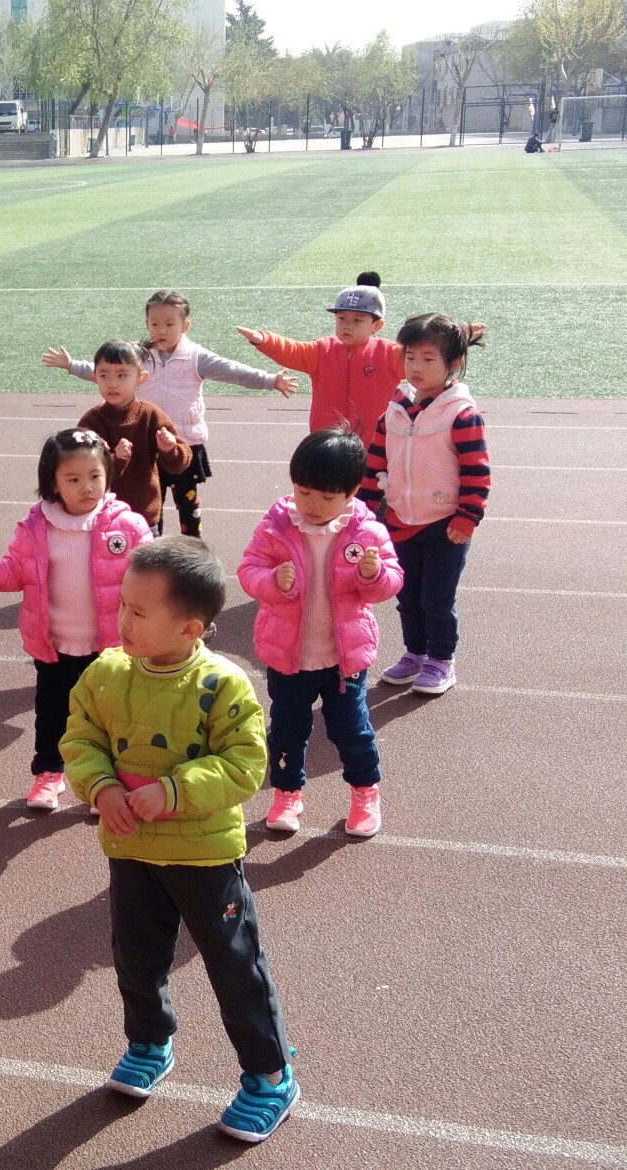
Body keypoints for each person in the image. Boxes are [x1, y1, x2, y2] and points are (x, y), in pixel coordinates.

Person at [61, 537, 298, 1144]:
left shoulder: (223, 684)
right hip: (132, 852)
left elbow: (245, 764)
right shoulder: (106, 674)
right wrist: (101, 788)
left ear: (189, 628)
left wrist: (173, 790)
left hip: (205, 856)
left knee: (234, 965)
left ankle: (270, 1076)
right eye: (122, 604)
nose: (122, 619)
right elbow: (80, 739)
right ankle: (150, 1043)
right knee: (135, 958)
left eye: (139, 612)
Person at [0, 427, 150, 812]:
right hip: (55, 645)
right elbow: (13, 571)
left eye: (95, 476)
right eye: (73, 479)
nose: (86, 487)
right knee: (52, 714)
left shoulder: (127, 526)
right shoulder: (37, 528)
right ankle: (48, 773)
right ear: (53, 483)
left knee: (110, 717)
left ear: (107, 474)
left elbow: (151, 575)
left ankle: (105, 784)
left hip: (110, 648)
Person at [237, 429, 402, 837]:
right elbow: (248, 569)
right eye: (303, 492)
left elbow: (391, 581)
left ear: (351, 493)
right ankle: (287, 793)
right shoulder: (277, 524)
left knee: (351, 729)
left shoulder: (367, 531)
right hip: (288, 656)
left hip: (343, 659)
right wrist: (272, 580)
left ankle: (365, 791)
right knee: (287, 730)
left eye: (326, 498)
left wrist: (373, 575)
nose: (312, 505)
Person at [43, 291, 296, 537]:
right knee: (154, 498)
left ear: (185, 326)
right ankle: (154, 540)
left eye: (169, 324)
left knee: (188, 501)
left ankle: (192, 544)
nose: (161, 330)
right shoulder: (139, 355)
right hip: (148, 445)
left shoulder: (195, 356)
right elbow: (108, 371)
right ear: (146, 324)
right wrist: (72, 365)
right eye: (154, 324)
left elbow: (232, 370)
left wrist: (270, 380)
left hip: (185, 443)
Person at [359, 312, 491, 697]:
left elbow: (477, 472)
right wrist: (364, 514)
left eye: (428, 359)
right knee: (408, 596)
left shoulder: (461, 415)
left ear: (454, 364)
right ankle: (415, 653)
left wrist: (467, 517)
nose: (416, 367)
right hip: (401, 521)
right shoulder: (394, 412)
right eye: (410, 357)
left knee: (436, 598)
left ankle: (441, 660)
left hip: (446, 525)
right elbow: (375, 465)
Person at [235, 273, 484, 439]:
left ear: (377, 325)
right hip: (327, 442)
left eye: (357, 320)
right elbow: (291, 350)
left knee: (373, 500)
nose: (347, 325)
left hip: (376, 445)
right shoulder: (322, 350)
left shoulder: (388, 353)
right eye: (341, 318)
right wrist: (263, 339)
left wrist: (458, 334)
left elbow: (423, 347)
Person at [75, 340, 190, 534]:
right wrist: (115, 459)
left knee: (147, 555)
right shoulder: (91, 421)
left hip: (144, 516)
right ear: (95, 377)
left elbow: (179, 464)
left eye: (122, 375)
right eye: (104, 375)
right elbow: (81, 468)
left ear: (141, 378)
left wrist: (170, 449)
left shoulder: (151, 415)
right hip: (103, 517)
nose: (112, 383)